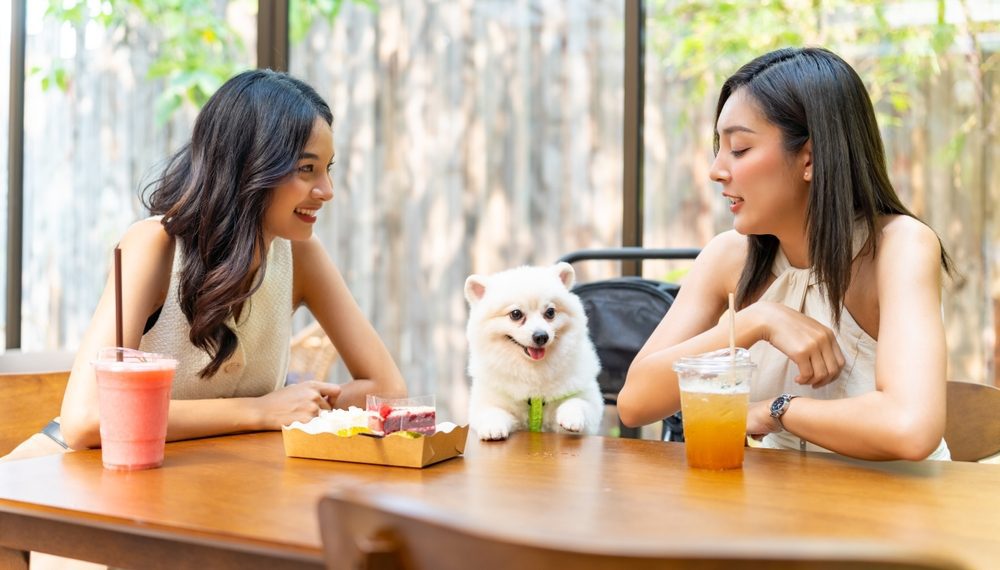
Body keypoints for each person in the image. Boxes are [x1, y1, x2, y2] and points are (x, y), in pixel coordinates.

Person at [9, 69, 407, 456]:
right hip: (60, 478)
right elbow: (85, 419)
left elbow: (387, 389)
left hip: (197, 489)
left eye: (327, 169)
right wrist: (257, 411)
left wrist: (302, 404)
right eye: (306, 169)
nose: (326, 190)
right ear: (248, 166)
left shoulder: (300, 253)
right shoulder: (156, 245)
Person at [618, 47, 951, 461]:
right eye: (719, 147)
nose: (716, 170)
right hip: (777, 506)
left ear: (808, 158)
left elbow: (910, 427)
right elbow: (635, 402)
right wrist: (758, 320)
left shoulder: (899, 247)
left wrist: (778, 411)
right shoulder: (728, 257)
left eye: (739, 149)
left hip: (899, 511)